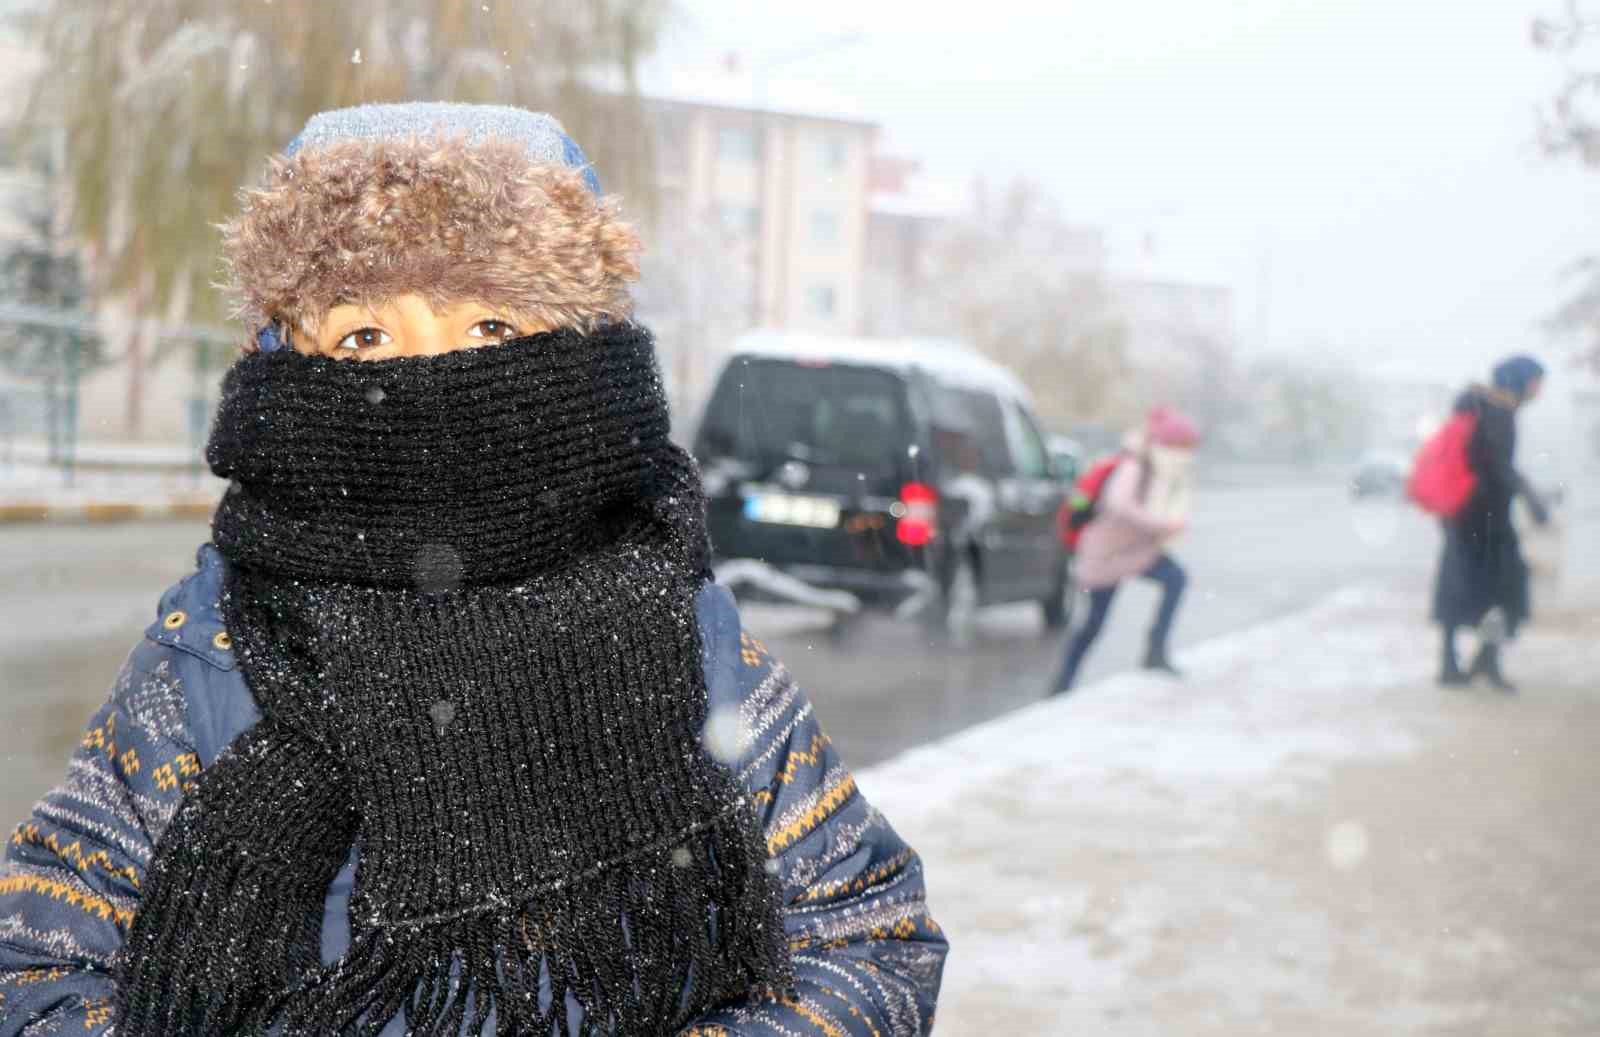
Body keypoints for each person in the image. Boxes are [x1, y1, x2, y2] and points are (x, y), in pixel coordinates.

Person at [0, 104, 945, 1036]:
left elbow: (865, 935)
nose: (432, 379)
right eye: (364, 337)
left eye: (491, 328)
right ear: (286, 368)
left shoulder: (682, 635)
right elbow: (41, 956)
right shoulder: (211, 650)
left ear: (580, 354)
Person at [1052, 407, 1199, 694]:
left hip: (1132, 552)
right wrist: (1162, 525)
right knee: (1093, 625)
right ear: (1167, 443)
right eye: (1182, 445)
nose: (1186, 453)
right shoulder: (1135, 465)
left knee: (1176, 578)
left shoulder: (1158, 468)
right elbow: (1119, 505)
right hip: (1106, 554)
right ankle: (1062, 685)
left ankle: (1154, 651)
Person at [1433, 354, 1550, 693]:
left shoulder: (1476, 405)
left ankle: (1450, 663)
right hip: (1487, 518)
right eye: (1537, 381)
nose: (1540, 389)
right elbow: (1498, 464)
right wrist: (1530, 496)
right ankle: (1487, 660)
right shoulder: (1499, 411)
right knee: (1506, 590)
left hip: (1460, 514)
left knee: (1459, 586)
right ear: (1522, 380)